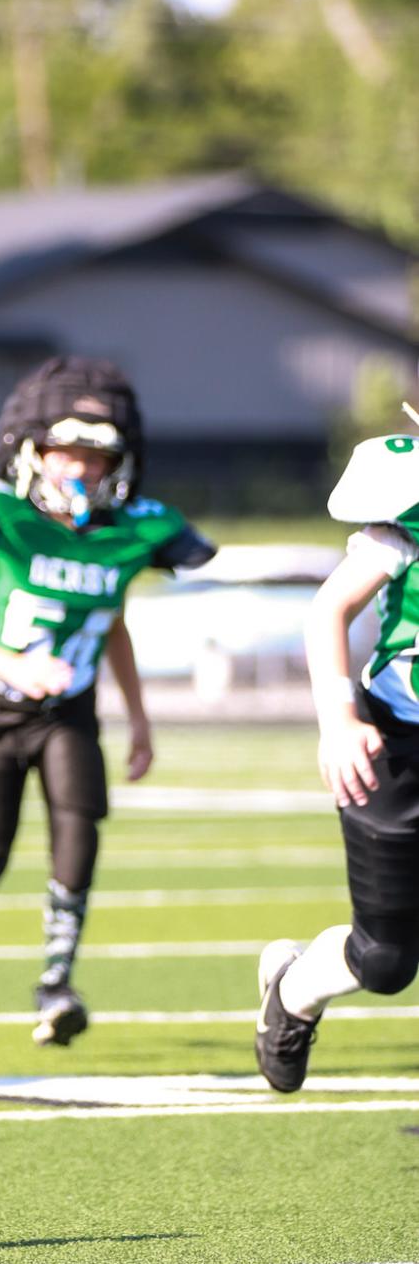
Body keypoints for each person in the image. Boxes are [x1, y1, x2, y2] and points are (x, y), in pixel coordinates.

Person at [0, 356, 214, 1046]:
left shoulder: (125, 535)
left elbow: (113, 625)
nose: (79, 468)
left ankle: (56, 982)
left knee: (80, 833)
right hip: (0, 712)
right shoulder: (3, 523)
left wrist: (139, 717)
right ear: (33, 453)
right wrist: (17, 663)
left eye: (94, 457)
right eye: (65, 452)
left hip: (71, 712)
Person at [256, 423, 419, 1090]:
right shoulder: (405, 511)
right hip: (395, 739)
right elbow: (328, 611)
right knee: (384, 960)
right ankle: (293, 993)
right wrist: (339, 717)